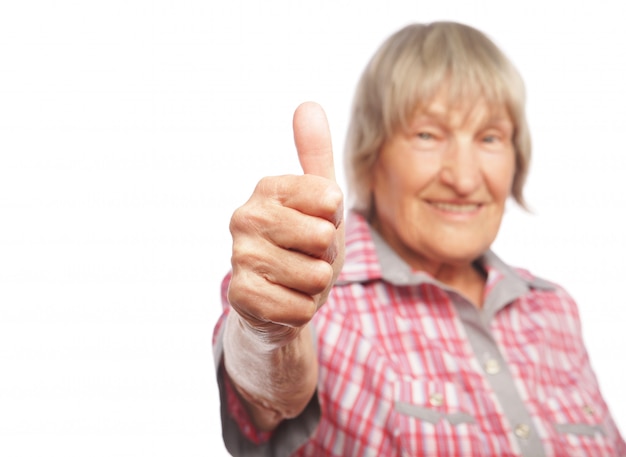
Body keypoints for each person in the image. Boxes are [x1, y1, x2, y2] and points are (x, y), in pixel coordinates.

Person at [212, 21, 626, 456]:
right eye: (427, 135)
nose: (464, 179)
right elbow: (268, 390)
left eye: (490, 137)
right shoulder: (304, 287)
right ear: (373, 155)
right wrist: (272, 334)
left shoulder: (554, 310)